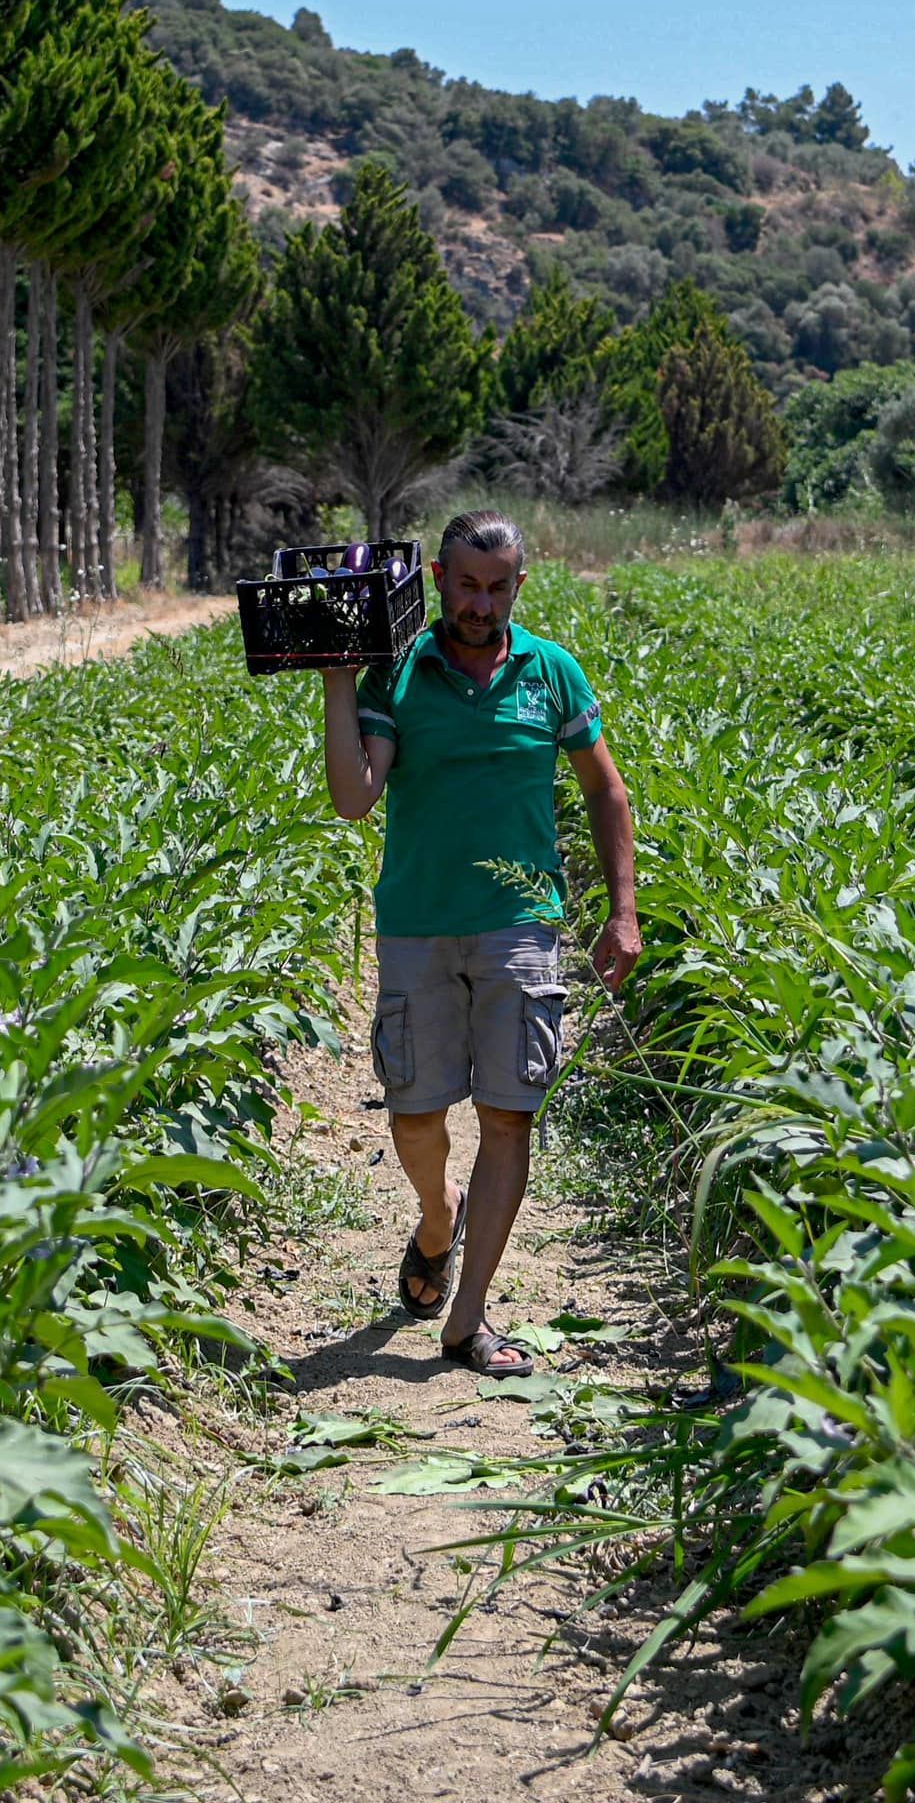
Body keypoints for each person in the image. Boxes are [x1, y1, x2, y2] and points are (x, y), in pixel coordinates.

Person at [319, 510, 640, 1376]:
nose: (480, 602)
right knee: (415, 1114)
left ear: (518, 588)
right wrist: (340, 683)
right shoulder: (404, 673)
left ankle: (468, 1320)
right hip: (418, 922)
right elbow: (355, 799)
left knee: (507, 1114)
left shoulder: (552, 673)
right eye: (466, 584)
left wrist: (623, 910)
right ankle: (437, 1213)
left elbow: (607, 793)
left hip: (521, 925)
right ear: (436, 578)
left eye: (498, 587)